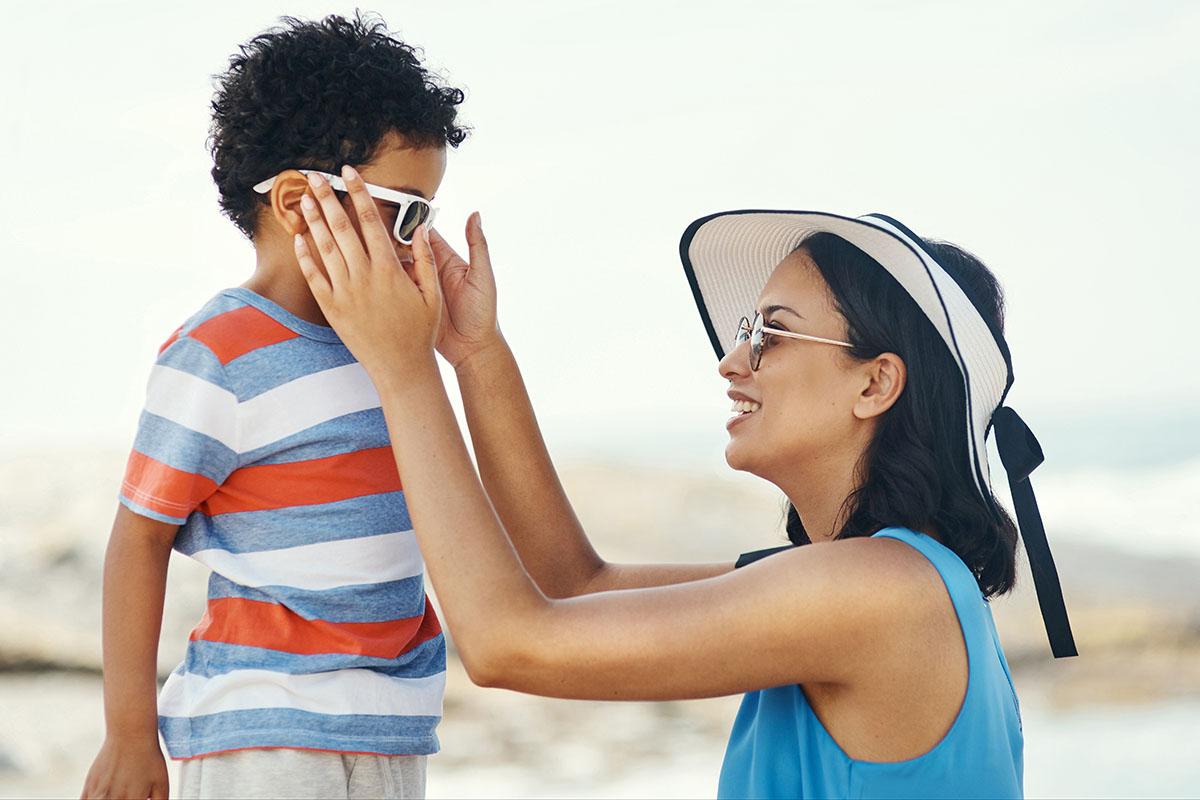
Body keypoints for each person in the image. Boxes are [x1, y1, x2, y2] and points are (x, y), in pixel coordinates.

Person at [290, 170, 1078, 798]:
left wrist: (401, 372)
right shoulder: (880, 579)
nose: (732, 363)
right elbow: (571, 582)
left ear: (876, 384)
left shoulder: (879, 592)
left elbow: (506, 644)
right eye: (745, 332)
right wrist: (473, 352)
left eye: (770, 331)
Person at [80, 13, 467, 800]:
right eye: (407, 211)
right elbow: (137, 540)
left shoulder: (390, 347)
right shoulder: (219, 354)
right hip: (264, 727)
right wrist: (130, 736)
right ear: (297, 203)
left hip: (391, 726)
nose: (419, 241)